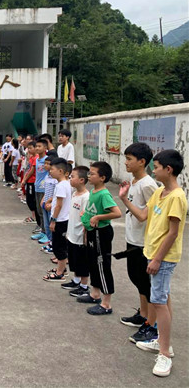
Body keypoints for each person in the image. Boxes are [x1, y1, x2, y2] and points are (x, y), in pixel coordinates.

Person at [121, 150, 186, 377]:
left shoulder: (177, 197)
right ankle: (161, 341)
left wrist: (157, 258)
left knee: (158, 300)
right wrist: (124, 198)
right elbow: (142, 216)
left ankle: (165, 353)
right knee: (162, 297)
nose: (153, 170)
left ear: (168, 169)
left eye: (156, 166)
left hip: (163, 257)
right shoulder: (160, 191)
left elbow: (173, 233)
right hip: (151, 252)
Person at [117, 143, 158, 344]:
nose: (126, 162)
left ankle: (152, 324)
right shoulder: (135, 181)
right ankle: (143, 315)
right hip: (132, 238)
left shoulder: (148, 185)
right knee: (136, 278)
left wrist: (124, 200)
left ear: (142, 162)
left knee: (146, 282)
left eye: (129, 159)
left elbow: (144, 215)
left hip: (143, 242)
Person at [79, 161, 122, 315]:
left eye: (92, 174)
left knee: (102, 264)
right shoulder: (93, 192)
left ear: (102, 178)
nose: (89, 176)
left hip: (101, 233)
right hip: (91, 232)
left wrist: (98, 217)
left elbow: (117, 213)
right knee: (93, 263)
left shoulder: (104, 194)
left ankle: (106, 303)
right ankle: (95, 293)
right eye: (89, 173)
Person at [61, 166, 91, 296]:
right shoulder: (74, 193)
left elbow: (86, 218)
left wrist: (85, 235)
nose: (70, 179)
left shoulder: (86, 197)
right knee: (73, 260)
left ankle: (84, 286)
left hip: (80, 236)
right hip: (72, 234)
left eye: (72, 177)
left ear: (82, 180)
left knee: (82, 262)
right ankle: (76, 280)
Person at [43, 158, 72, 281]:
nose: (50, 171)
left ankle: (60, 273)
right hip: (63, 219)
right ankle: (62, 268)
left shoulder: (61, 185)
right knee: (60, 246)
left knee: (58, 247)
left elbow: (59, 205)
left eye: (52, 169)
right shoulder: (65, 184)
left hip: (60, 220)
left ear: (61, 171)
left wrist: (53, 220)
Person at [37, 156, 57, 248]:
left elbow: (56, 194)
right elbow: (46, 191)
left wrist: (50, 202)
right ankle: (49, 239)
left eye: (48, 164)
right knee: (46, 223)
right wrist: (43, 200)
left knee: (51, 223)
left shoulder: (56, 179)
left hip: (51, 205)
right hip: (45, 203)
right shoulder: (47, 176)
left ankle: (52, 242)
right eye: (45, 163)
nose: (46, 165)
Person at [30, 139, 48, 240]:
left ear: (45, 148)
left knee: (44, 211)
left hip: (44, 189)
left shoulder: (47, 160)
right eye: (36, 146)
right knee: (39, 211)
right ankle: (42, 231)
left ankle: (47, 234)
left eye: (39, 146)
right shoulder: (36, 159)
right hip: (37, 187)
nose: (37, 148)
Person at [21, 141, 39, 225]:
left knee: (31, 199)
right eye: (28, 148)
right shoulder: (32, 158)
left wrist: (24, 180)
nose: (29, 150)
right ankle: (33, 216)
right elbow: (28, 170)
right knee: (29, 199)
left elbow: (32, 171)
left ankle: (34, 217)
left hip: (32, 181)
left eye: (31, 148)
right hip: (29, 181)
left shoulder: (36, 158)